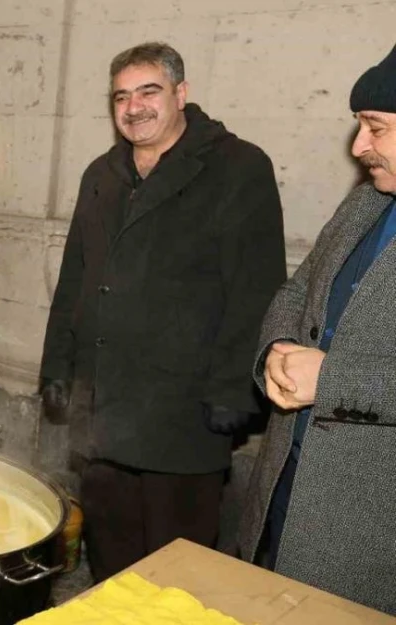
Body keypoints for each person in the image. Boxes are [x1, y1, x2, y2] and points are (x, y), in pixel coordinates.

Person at [38, 41, 287, 582]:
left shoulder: (237, 167)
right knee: (111, 550)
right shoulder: (101, 174)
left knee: (176, 563)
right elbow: (75, 281)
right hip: (103, 400)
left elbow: (257, 288)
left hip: (183, 407)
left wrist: (233, 390)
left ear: (180, 93)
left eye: (148, 91)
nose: (134, 107)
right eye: (121, 96)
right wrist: (57, 366)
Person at [237, 43, 396, 616]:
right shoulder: (365, 203)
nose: (359, 147)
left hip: (371, 530)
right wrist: (276, 349)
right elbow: (297, 291)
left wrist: (334, 379)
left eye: (375, 128)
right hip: (287, 484)